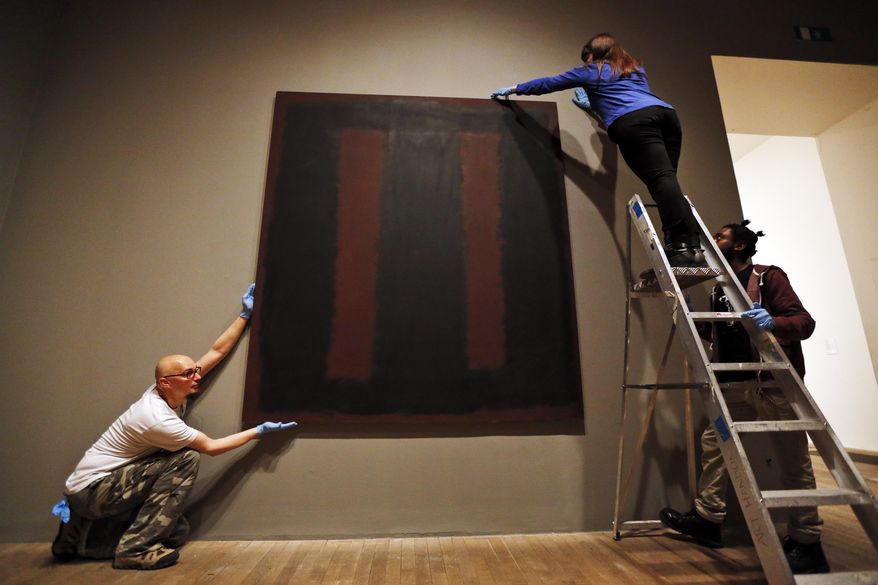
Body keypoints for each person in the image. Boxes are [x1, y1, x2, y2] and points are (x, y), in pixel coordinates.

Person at [50, 283, 297, 571]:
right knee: (187, 457)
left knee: (177, 532)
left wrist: (244, 315)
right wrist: (259, 431)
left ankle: (77, 541)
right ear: (166, 382)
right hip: (91, 492)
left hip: (93, 486)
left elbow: (216, 352)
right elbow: (211, 448)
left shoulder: (165, 393)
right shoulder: (157, 417)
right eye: (188, 373)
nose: (196, 376)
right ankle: (134, 550)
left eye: (195, 370)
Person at [659, 221, 829, 574]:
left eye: (720, 236)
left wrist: (774, 322)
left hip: (772, 384)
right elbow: (717, 332)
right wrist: (691, 315)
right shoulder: (719, 289)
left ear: (738, 246)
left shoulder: (768, 277)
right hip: (733, 383)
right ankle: (709, 518)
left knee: (793, 461)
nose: (713, 241)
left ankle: (808, 541)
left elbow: (804, 322)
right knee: (715, 444)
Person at [490, 33, 702, 266]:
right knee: (666, 180)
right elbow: (625, 97)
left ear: (594, 54)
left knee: (660, 180)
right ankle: (692, 246)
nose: (585, 62)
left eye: (586, 57)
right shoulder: (634, 68)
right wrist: (596, 108)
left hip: (634, 123)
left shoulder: (592, 71)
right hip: (666, 116)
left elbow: (549, 83)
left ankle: (680, 248)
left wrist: (515, 88)